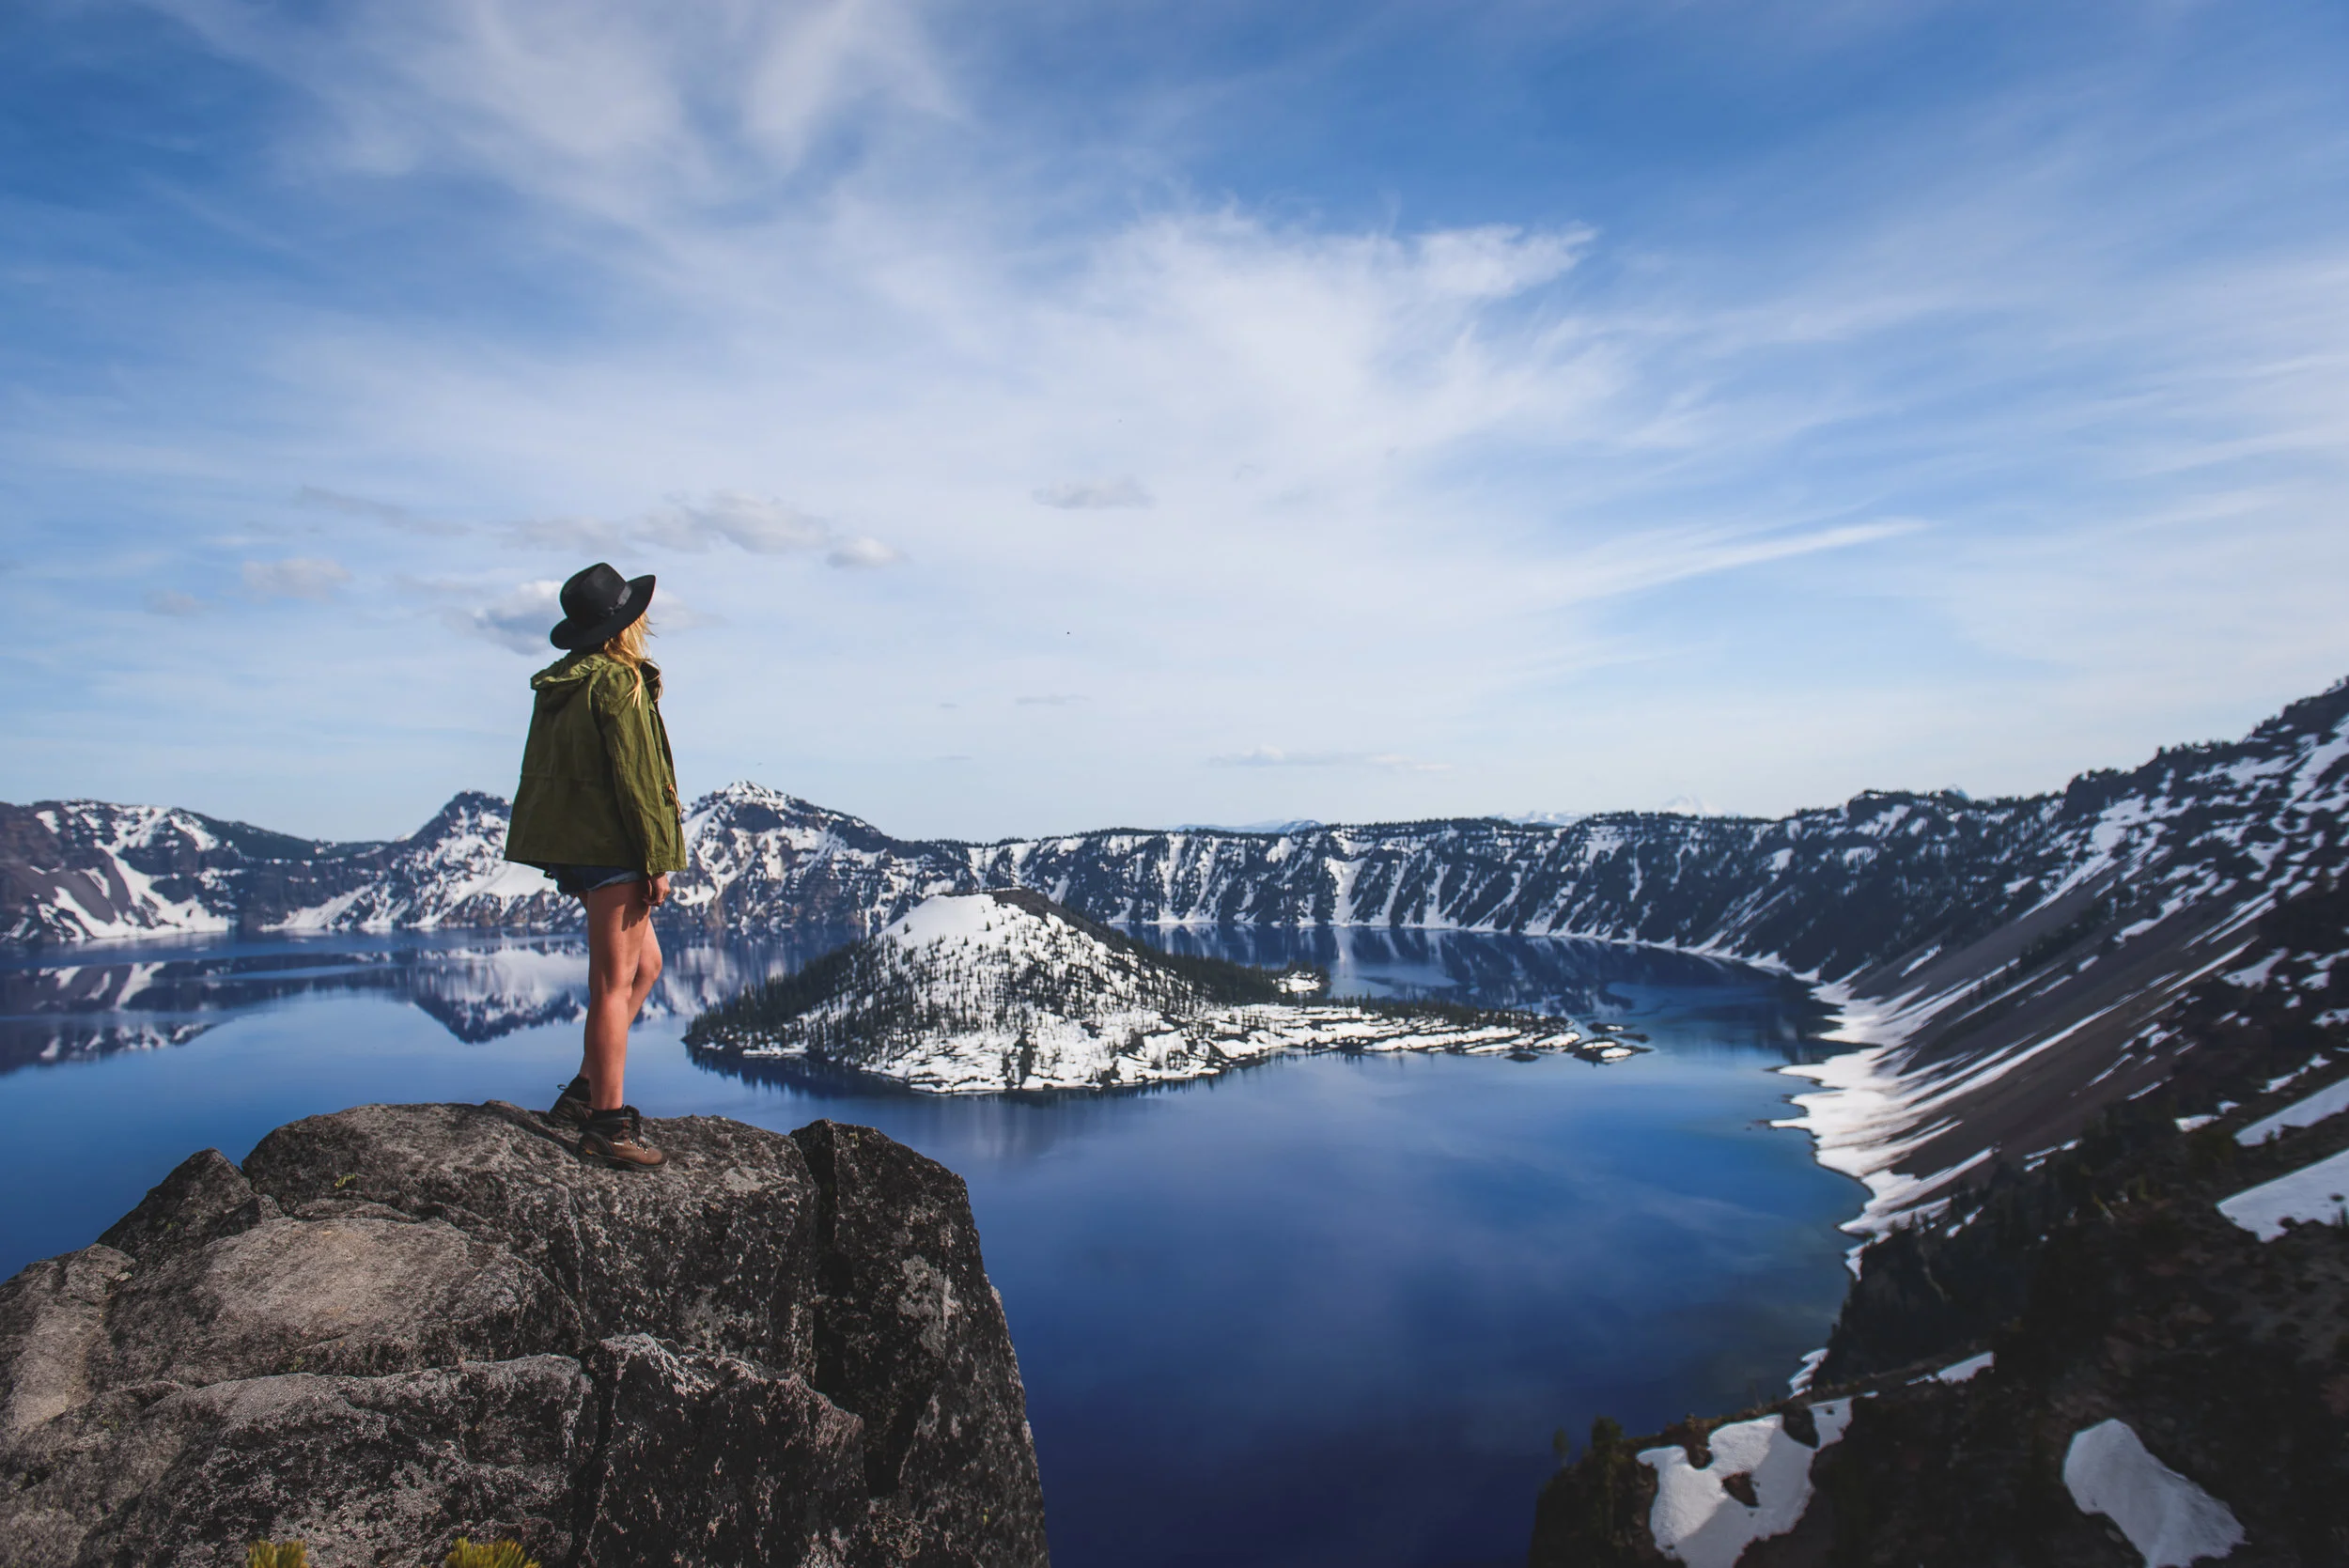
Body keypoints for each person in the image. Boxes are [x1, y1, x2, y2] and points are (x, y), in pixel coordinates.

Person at [504, 561, 687, 1171]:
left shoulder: (562, 684)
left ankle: (585, 1088)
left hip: (582, 850)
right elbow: (640, 780)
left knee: (647, 965)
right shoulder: (619, 683)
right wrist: (655, 859)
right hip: (615, 850)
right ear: (626, 626)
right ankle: (606, 1122)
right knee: (612, 984)